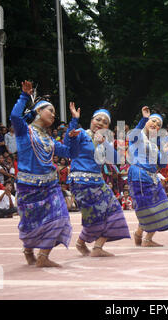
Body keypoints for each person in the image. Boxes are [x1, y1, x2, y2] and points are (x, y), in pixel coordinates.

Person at [10, 80, 74, 268]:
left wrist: (72, 129)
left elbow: (68, 152)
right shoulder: (24, 131)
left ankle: (43, 256)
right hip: (28, 185)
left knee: (61, 217)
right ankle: (28, 250)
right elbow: (15, 115)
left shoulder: (49, 139)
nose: (53, 115)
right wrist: (24, 95)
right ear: (38, 111)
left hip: (50, 185)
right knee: (30, 223)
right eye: (51, 111)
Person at [63, 104, 130, 257]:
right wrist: (74, 120)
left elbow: (116, 159)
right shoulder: (81, 134)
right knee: (94, 215)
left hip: (98, 183)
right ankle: (83, 243)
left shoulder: (104, 141)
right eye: (97, 119)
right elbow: (67, 143)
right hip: (81, 182)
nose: (100, 123)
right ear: (91, 120)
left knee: (114, 210)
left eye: (104, 122)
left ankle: (96, 247)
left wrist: (104, 143)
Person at [128, 107, 168, 246]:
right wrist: (144, 118)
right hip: (139, 175)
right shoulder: (137, 136)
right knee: (148, 206)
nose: (155, 124)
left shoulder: (155, 145)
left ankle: (139, 234)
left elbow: (161, 164)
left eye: (158, 124)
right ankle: (146, 239)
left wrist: (165, 151)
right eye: (152, 121)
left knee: (161, 205)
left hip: (152, 178)